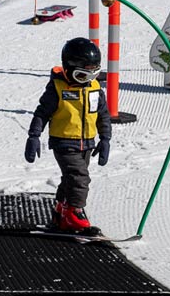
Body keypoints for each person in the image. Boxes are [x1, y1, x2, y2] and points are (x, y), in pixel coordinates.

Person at [25, 38, 112, 231]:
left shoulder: (94, 88)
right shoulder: (57, 88)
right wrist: (34, 136)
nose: (88, 81)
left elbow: (103, 115)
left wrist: (105, 138)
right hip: (64, 142)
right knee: (80, 178)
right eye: (82, 76)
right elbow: (42, 113)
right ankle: (75, 212)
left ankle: (60, 211)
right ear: (68, 69)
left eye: (93, 74)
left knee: (70, 179)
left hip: (87, 143)